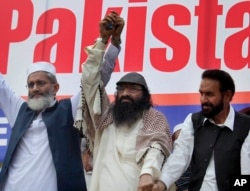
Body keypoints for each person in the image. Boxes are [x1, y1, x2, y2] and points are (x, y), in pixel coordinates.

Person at [0, 12, 122, 191]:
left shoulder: (68, 110)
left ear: (55, 88)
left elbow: (97, 80)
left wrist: (111, 43)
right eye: (31, 85)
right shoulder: (19, 110)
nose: (34, 88)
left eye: (41, 83)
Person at [74, 16, 173, 191]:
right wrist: (104, 40)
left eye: (133, 89)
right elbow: (90, 80)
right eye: (121, 89)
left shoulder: (154, 118)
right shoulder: (104, 116)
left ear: (145, 95)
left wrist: (147, 173)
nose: (126, 93)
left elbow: (157, 147)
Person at [151, 69, 250, 191]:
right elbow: (180, 156)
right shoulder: (193, 121)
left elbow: (247, 172)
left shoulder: (246, 126)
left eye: (209, 94)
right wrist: (162, 183)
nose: (203, 100)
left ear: (227, 96)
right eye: (201, 93)